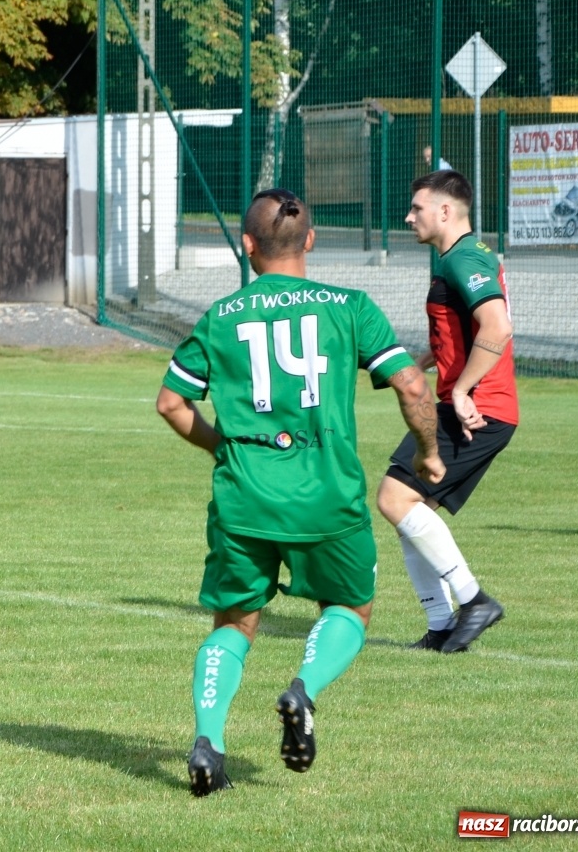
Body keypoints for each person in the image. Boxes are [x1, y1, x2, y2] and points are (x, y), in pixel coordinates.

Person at [155, 189, 442, 797]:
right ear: (310, 240)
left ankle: (209, 741)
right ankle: (304, 690)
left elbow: (171, 403)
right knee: (349, 608)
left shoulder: (223, 316)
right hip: (328, 498)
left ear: (248, 247)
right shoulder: (349, 308)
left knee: (234, 622)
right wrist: (428, 452)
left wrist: (219, 446)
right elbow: (413, 385)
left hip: (245, 497)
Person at [376, 170, 515, 653]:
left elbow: (496, 326)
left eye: (416, 208)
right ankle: (440, 626)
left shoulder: (464, 258)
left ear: (444, 212)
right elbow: (464, 331)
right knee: (409, 511)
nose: (408, 216)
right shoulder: (455, 260)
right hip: (470, 402)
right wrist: (421, 363)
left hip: (481, 408)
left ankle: (474, 601)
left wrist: (462, 390)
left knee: (395, 499)